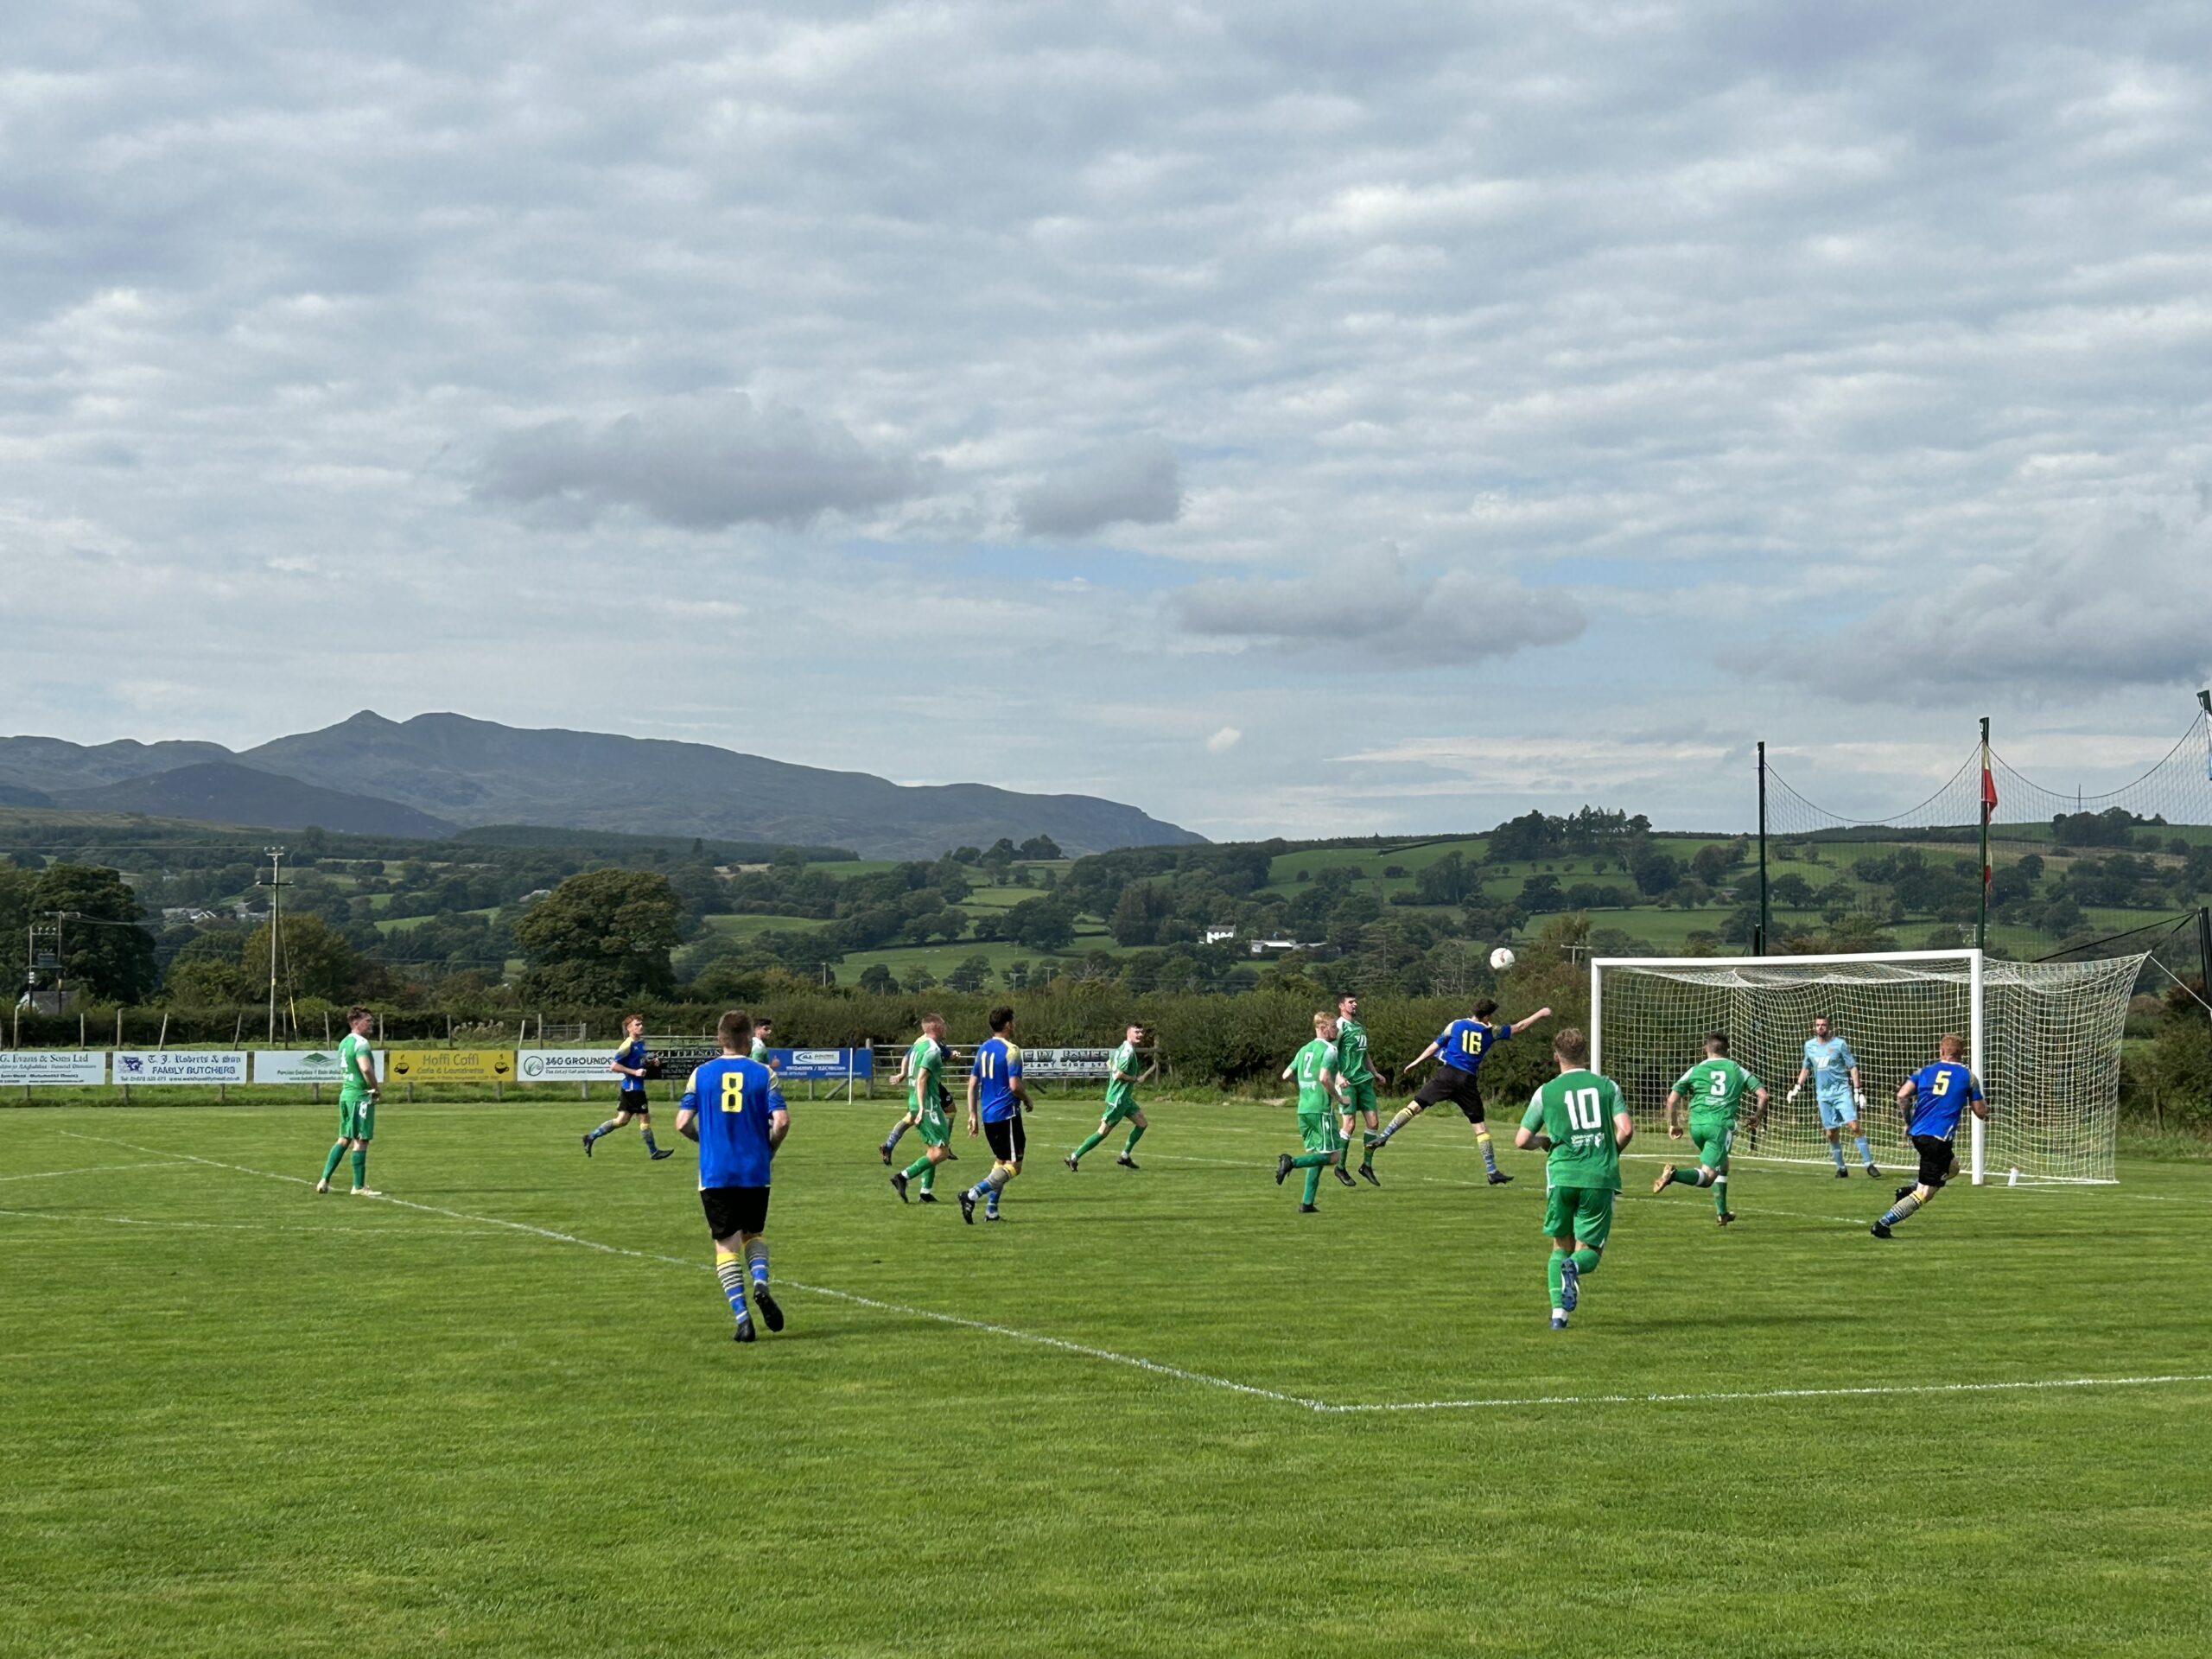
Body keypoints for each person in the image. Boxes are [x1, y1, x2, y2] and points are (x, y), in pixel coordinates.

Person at [677, 1009, 790, 1342]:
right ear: (747, 1039)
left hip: (716, 1172)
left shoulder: (701, 1074)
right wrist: (770, 1149)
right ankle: (761, 1284)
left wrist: (704, 1140)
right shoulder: (764, 1074)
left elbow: (682, 1123)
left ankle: (742, 1319)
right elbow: (781, 1121)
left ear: (719, 1038)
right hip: (755, 1170)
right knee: (753, 1234)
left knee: (725, 1246)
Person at [1515, 1027, 1633, 1330]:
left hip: (1561, 1176)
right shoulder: (1607, 1086)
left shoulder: (1546, 1092)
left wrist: (1543, 1142)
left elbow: (1521, 1140)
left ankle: (1559, 1316)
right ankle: (1575, 1268)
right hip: (1598, 1177)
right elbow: (1626, 1129)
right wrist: (1610, 1152)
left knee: (1560, 1245)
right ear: (1586, 1055)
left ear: (1556, 1057)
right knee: (1589, 1250)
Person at [1370, 997, 1554, 1184]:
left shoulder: (1456, 1025)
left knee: (1414, 1106)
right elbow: (1520, 1027)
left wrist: (1416, 1062)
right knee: (1480, 1127)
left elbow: (1436, 1044)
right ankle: (1492, 1171)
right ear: (1487, 1016)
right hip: (1467, 1081)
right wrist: (1541, 1013)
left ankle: (1385, 1136)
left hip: (1447, 1075)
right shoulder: (1492, 1031)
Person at [1871, 1034, 1988, 1240]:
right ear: (1961, 1054)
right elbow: (1980, 1112)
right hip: (1938, 1139)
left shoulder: (1924, 1071)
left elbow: (1902, 1095)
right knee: (1926, 1193)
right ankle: (1883, 1223)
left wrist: (1908, 1121)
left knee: (1953, 1169)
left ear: (1941, 1051)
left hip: (1919, 1134)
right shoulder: (1968, 1076)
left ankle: (1910, 1188)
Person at [1654, 1033, 1767, 1225]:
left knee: (1723, 1164)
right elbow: (1763, 1096)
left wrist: (1673, 1124)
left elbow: (1672, 1100)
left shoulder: (1695, 1069)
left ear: (1706, 1049)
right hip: (1720, 1126)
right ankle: (1674, 1175)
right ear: (1727, 1050)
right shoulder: (1737, 1069)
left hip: (1697, 1125)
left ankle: (1722, 1213)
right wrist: (1757, 1116)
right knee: (1707, 1177)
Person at [1274, 1012, 1350, 1213]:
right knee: (1333, 1156)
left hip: (1303, 1109)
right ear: (1323, 1028)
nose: (1337, 1029)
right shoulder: (1330, 1050)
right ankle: (1291, 1162)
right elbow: (1325, 1078)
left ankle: (1307, 1203)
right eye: (1334, 1026)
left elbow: (1286, 1075)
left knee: (1318, 1154)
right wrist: (1340, 1098)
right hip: (1320, 1110)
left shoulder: (1304, 1049)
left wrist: (1305, 1086)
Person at [960, 1007, 1029, 1224]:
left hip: (989, 1116)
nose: (1015, 1025)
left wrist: (973, 1114)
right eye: (1013, 1022)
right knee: (1014, 1166)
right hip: (1007, 1115)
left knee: (1001, 1161)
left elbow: (972, 1084)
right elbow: (1015, 1086)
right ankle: (971, 1194)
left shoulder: (984, 1049)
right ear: (1008, 1024)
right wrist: (1027, 1099)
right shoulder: (1012, 1050)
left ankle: (992, 1211)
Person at [1789, 1016, 1878, 1179]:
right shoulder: (1809, 1046)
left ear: (1829, 1027)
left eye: (1823, 1025)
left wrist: (1858, 1091)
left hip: (1841, 1092)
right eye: (1818, 1025)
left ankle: (1869, 1165)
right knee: (1831, 1133)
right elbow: (1806, 1067)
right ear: (1813, 1028)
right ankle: (1841, 1168)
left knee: (1854, 1126)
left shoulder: (1839, 1044)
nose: (1820, 1027)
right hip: (1823, 1096)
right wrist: (1796, 1087)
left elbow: (1852, 1067)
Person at [583, 1014, 675, 1160]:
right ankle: (654, 1152)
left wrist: (650, 1063)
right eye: (637, 1025)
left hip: (631, 1087)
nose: (641, 1026)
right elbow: (613, 1066)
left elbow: (637, 1061)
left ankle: (591, 1136)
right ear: (629, 1028)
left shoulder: (640, 1043)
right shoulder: (628, 1044)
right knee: (644, 1119)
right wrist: (635, 1072)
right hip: (634, 1088)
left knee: (622, 1120)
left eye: (641, 1024)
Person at [315, 1005, 383, 1196]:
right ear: (356, 1022)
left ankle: (324, 1180)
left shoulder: (344, 1042)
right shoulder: (361, 1043)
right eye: (368, 1021)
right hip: (360, 1096)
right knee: (361, 1140)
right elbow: (366, 1068)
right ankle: (358, 1187)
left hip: (346, 1095)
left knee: (344, 1139)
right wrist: (376, 1089)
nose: (372, 1024)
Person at [1067, 1024, 1151, 1171]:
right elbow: (1119, 1075)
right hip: (1118, 1099)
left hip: (1125, 1098)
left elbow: (1109, 1063)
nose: (1140, 1035)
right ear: (1128, 1033)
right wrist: (1136, 1079)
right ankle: (1074, 1157)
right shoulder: (1128, 1052)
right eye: (1136, 1032)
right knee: (1102, 1132)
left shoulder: (1121, 1049)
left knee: (1142, 1123)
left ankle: (1125, 1156)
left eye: (1141, 1032)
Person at [890, 1014, 953, 1204]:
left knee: (931, 1150)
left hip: (915, 1103)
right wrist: (924, 1107)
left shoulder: (918, 1045)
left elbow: (910, 1065)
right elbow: (922, 1079)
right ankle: (902, 1177)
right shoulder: (933, 1050)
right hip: (929, 1106)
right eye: (943, 1025)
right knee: (942, 1152)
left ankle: (925, 1193)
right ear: (936, 1027)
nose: (946, 1028)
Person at [1332, 994, 1383, 1186]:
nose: (1355, 1004)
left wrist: (1375, 1073)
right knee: (1350, 1124)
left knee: (1373, 1122)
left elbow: (1365, 1053)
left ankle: (1366, 1165)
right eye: (1350, 1002)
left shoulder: (1360, 1027)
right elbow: (1331, 1053)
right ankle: (1340, 1167)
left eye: (1355, 1002)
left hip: (1364, 1080)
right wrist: (1338, 1076)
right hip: (1347, 1082)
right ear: (1341, 1006)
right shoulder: (1339, 1027)